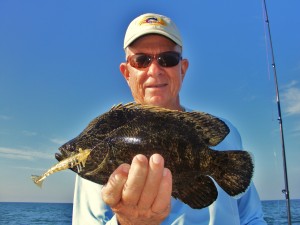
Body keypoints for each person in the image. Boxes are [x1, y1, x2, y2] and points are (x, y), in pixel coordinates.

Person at [72, 13, 267, 225]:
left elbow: (252, 218)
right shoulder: (96, 150)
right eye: (141, 60)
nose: (154, 71)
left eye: (168, 59)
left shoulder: (227, 133)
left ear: (182, 69)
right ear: (126, 73)